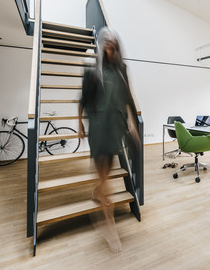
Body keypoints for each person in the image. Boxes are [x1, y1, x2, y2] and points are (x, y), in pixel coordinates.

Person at [78, 27, 139, 252]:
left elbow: (127, 99)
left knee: (107, 172)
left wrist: (131, 124)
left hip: (115, 128)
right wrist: (79, 124)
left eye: (113, 44)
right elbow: (83, 101)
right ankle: (110, 226)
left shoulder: (122, 70)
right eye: (106, 43)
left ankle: (97, 191)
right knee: (106, 179)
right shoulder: (92, 73)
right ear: (101, 46)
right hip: (98, 129)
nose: (110, 47)